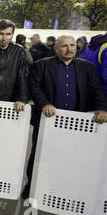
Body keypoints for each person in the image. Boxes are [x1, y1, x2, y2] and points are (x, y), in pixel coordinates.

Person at [25, 35, 107, 198]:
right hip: (47, 121)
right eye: (64, 46)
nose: (69, 49)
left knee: (68, 156)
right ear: (56, 48)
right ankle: (31, 186)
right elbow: (33, 87)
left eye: (72, 45)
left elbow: (96, 90)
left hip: (75, 123)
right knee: (39, 155)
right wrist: (44, 103)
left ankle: (58, 188)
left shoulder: (87, 67)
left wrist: (102, 109)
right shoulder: (42, 65)